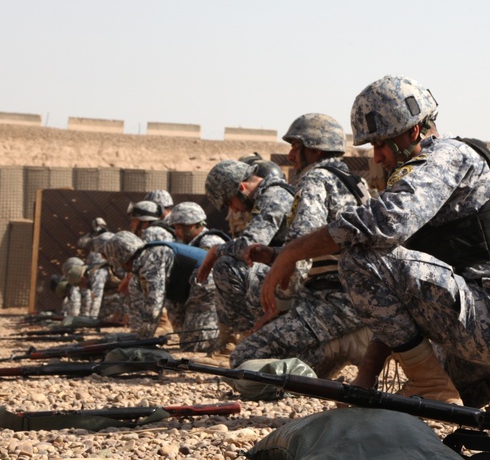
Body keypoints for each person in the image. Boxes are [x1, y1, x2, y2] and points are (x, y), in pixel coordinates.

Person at [260, 76, 490, 413]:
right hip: (483, 326)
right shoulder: (424, 178)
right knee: (404, 404)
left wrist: (293, 252)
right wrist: (366, 377)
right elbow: (392, 301)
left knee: (359, 255)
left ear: (411, 132)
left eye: (380, 144)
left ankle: (434, 382)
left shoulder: (448, 155)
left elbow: (383, 224)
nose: (378, 157)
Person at [229, 113, 371, 377]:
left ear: (314, 149)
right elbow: (323, 246)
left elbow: (302, 250)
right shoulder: (354, 182)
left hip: (331, 302)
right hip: (359, 299)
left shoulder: (315, 180)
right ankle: (338, 346)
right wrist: (273, 255)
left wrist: (280, 308)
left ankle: (343, 344)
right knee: (292, 366)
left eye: (296, 146)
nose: (291, 155)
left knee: (243, 361)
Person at [196, 158, 297, 351]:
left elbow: (251, 246)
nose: (233, 210)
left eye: (229, 202)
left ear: (242, 187)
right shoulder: (269, 194)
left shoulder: (274, 195)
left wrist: (216, 251)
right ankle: (242, 339)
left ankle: (251, 340)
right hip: (289, 270)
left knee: (227, 266)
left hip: (298, 276)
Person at [101, 229, 218, 351]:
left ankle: (219, 343)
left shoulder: (150, 259)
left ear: (123, 259)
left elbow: (154, 306)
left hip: (206, 283)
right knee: (186, 340)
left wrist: (141, 340)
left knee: (196, 345)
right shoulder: (146, 257)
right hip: (190, 287)